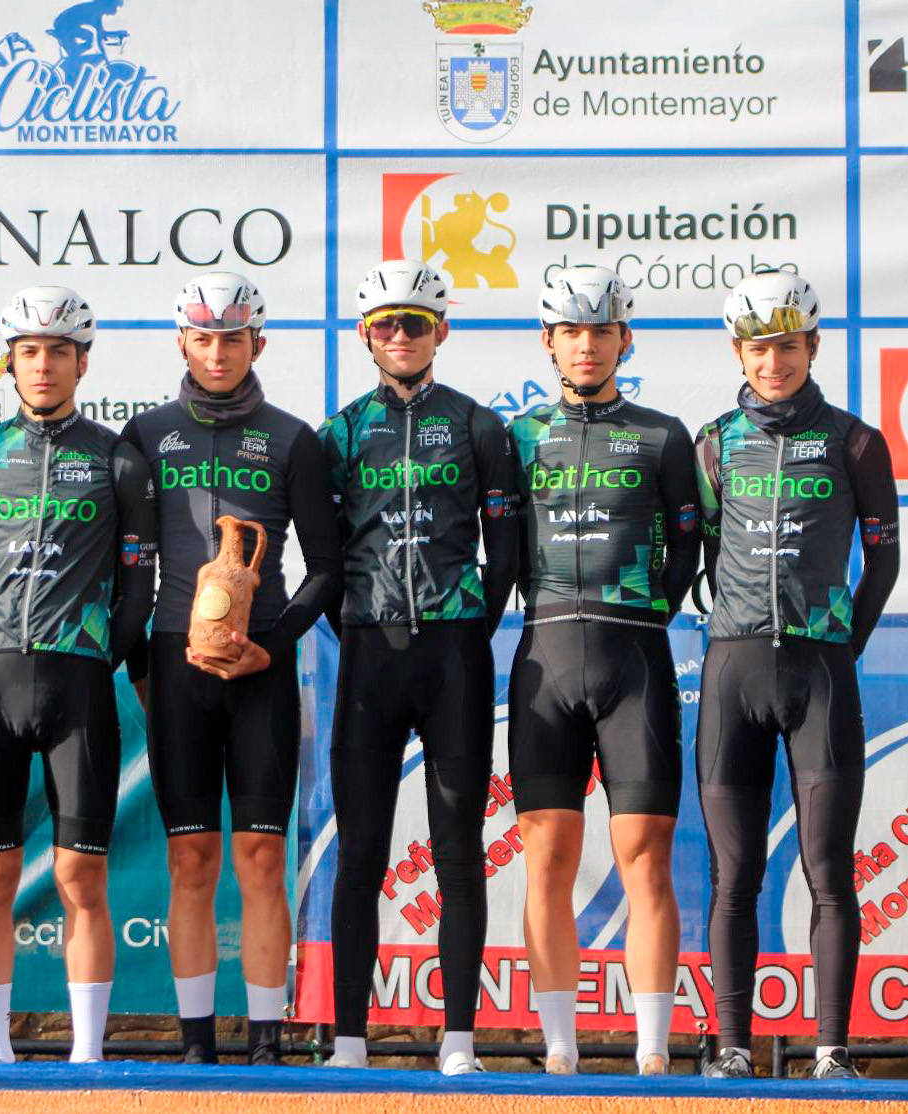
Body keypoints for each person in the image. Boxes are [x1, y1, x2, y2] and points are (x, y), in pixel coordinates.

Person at [120, 272, 341, 1064]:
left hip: (261, 673)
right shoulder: (144, 435)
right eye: (204, 338)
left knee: (260, 858)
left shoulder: (292, 439)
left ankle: (267, 1041)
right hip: (174, 665)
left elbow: (327, 568)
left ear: (258, 343)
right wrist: (141, 666)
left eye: (232, 339)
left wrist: (270, 648)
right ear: (182, 341)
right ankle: (194, 1042)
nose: (217, 353)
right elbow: (128, 568)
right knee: (190, 858)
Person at [0, 285, 156, 1064]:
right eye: (28, 351)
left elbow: (138, 582)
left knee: (80, 877)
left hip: (78, 681)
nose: (42, 365)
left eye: (58, 351)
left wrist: (98, 656)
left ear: (81, 363)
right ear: (10, 362)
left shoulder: (117, 460)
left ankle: (87, 1053)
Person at [317, 259, 519, 1074]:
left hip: (453, 655)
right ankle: (347, 1041)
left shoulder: (477, 425)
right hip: (368, 653)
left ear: (442, 331)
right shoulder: (338, 433)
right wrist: (358, 629)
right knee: (360, 852)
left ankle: (459, 1039)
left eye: (416, 323)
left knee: (457, 850)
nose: (400, 336)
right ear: (365, 335)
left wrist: (467, 629)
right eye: (386, 325)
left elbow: (504, 554)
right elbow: (323, 559)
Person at [695, 270, 898, 1080]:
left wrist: (841, 643)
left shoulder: (855, 441)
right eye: (756, 348)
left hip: (820, 672)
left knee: (828, 874)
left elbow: (882, 561)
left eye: (785, 346)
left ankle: (831, 1052)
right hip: (731, 670)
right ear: (736, 352)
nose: (771, 362)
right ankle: (731, 1047)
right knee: (732, 876)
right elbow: (707, 553)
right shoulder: (713, 441)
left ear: (812, 346)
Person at [507, 265, 700, 1075]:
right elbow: (500, 549)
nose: (585, 346)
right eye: (569, 332)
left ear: (624, 339)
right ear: (547, 342)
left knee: (644, 858)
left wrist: (648, 612)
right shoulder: (516, 437)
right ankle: (559, 1046)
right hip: (544, 656)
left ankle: (652, 1050)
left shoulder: (662, 435)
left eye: (599, 331)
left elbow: (687, 546)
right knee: (546, 858)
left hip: (634, 660)